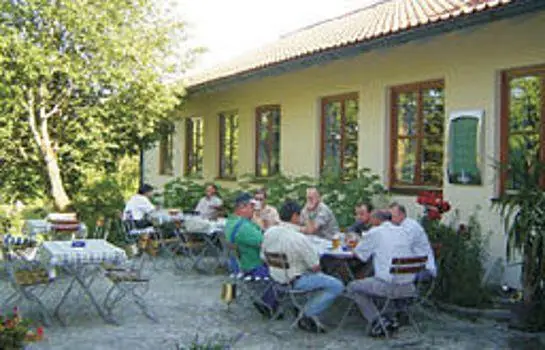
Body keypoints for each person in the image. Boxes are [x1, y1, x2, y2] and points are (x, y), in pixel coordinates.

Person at [262, 200, 344, 333]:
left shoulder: (269, 233)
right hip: (295, 281)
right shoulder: (298, 238)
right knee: (337, 285)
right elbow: (315, 266)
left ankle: (303, 308)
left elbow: (263, 257)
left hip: (276, 279)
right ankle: (307, 313)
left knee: (317, 275)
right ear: (295, 216)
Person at [346, 210, 416, 337]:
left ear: (377, 220)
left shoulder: (376, 232)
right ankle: (389, 318)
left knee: (352, 287)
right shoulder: (404, 232)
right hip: (410, 287)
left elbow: (360, 255)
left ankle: (377, 321)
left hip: (389, 287)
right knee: (376, 279)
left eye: (371, 219)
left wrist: (352, 247)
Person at [224, 192, 275, 314]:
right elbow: (266, 242)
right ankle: (271, 305)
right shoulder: (244, 227)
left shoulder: (230, 222)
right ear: (242, 207)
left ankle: (228, 299)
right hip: (252, 265)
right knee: (285, 269)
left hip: (235, 265)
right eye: (252, 207)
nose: (254, 210)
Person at [389, 202, 437, 278]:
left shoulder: (410, 227)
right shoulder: (401, 226)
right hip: (412, 266)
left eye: (392, 216)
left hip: (423, 269)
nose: (390, 220)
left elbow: (401, 247)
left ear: (402, 214)